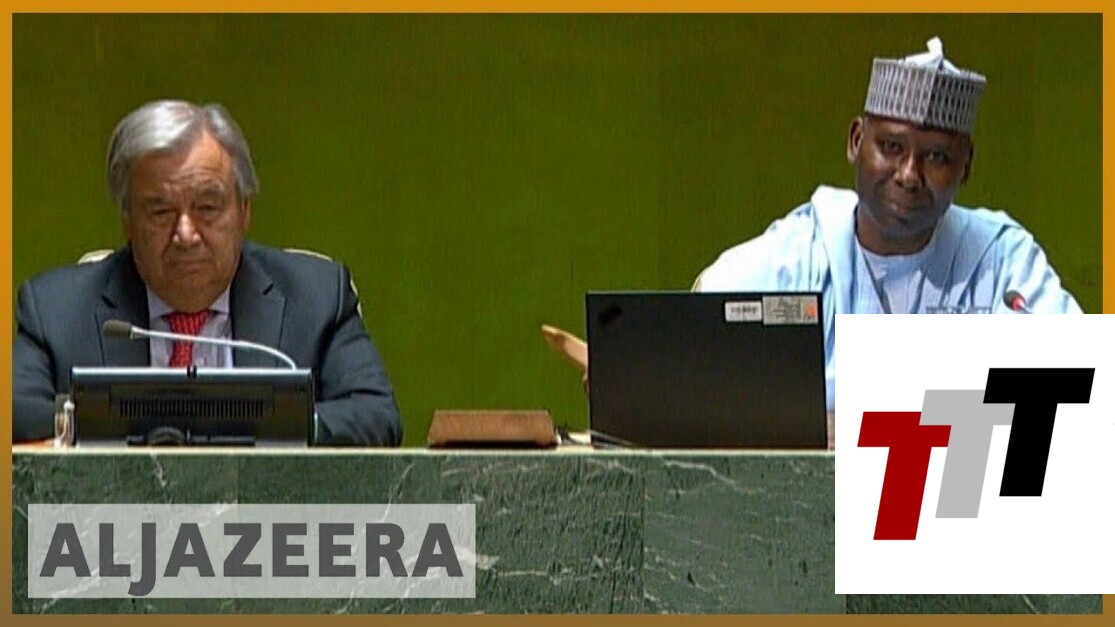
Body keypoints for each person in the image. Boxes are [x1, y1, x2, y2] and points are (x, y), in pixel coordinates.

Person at [694, 37, 1083, 414]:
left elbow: (1075, 390)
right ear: (856, 141)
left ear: (965, 167)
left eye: (937, 157)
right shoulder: (796, 259)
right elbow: (694, 357)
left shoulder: (999, 260)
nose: (909, 175)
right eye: (892, 147)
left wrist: (856, 431)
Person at [13, 100, 403, 446]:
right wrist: (152, 425)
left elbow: (376, 415)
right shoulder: (55, 310)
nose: (186, 234)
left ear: (245, 211)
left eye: (207, 208)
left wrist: (273, 426)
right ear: (128, 221)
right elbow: (16, 413)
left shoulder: (317, 297)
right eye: (161, 212)